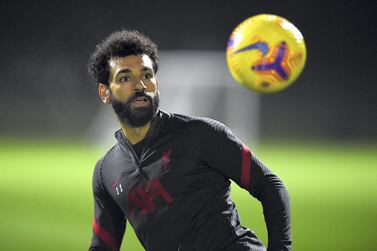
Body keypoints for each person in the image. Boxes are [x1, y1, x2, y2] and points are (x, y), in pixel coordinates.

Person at [87, 30, 291, 251]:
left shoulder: (200, 134)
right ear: (104, 92)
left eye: (147, 75)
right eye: (125, 78)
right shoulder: (106, 172)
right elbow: (103, 245)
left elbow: (270, 185)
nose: (140, 86)